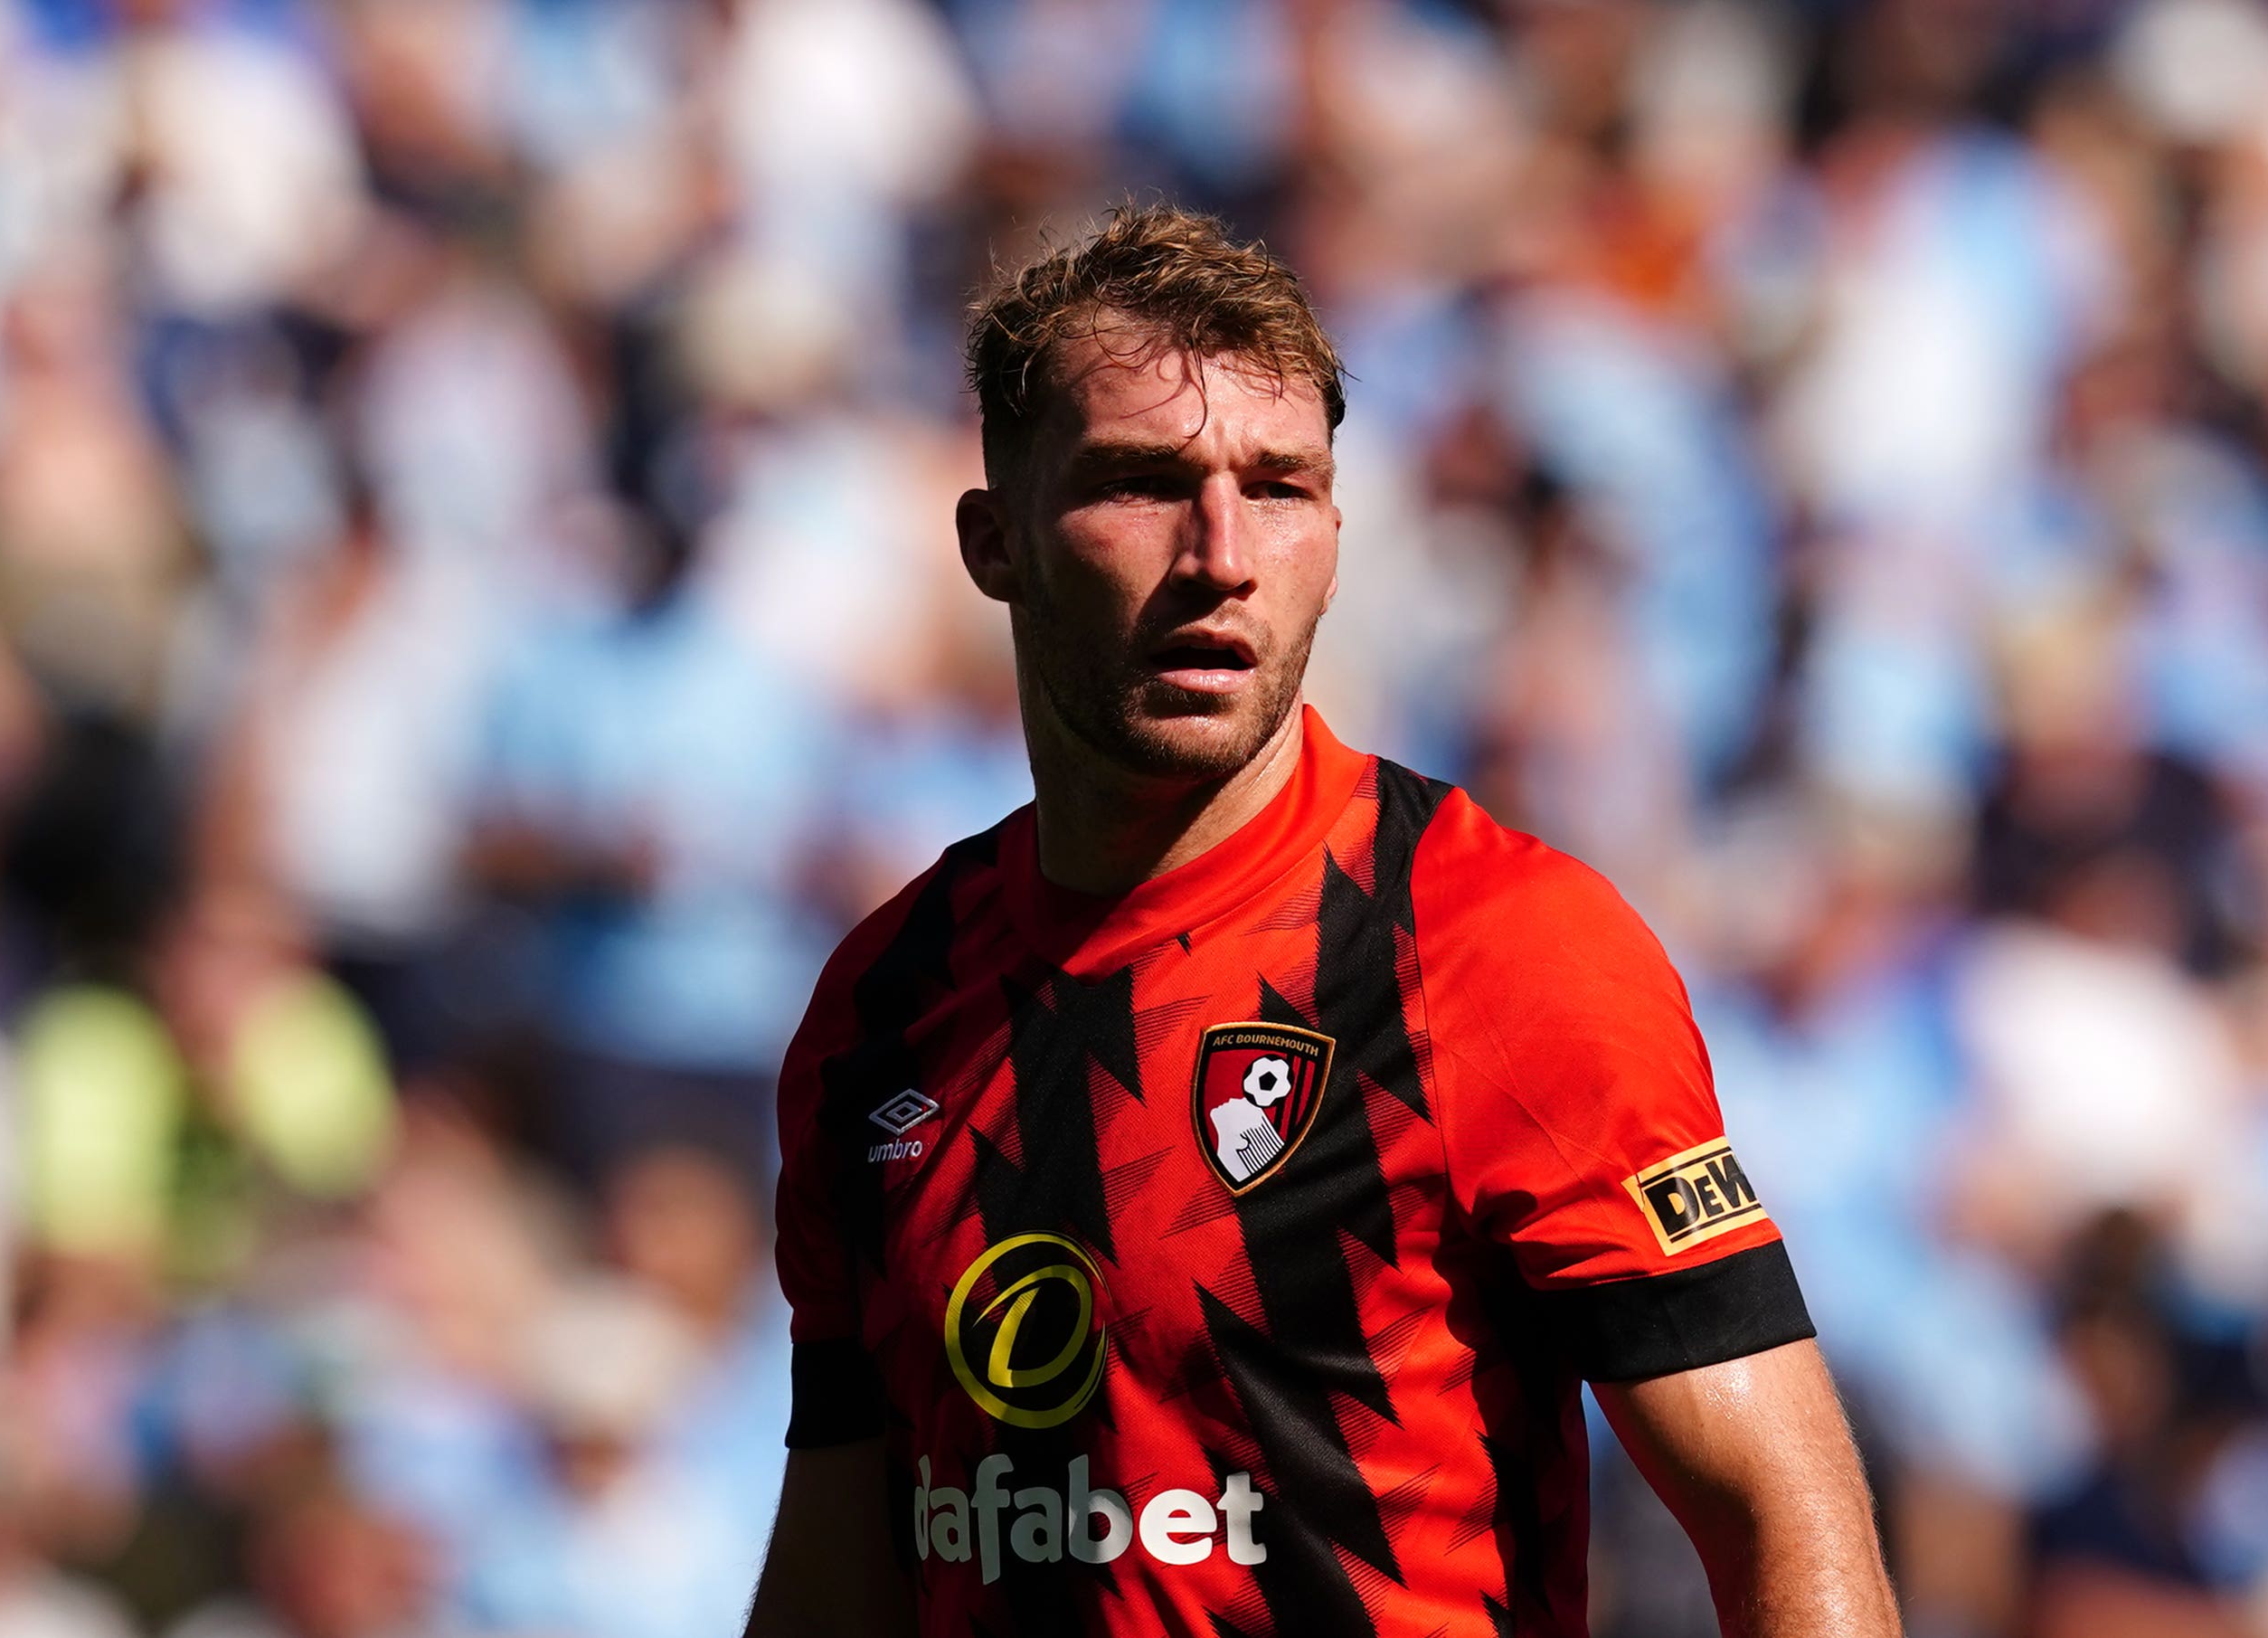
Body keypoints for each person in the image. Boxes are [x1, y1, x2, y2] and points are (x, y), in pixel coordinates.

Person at [743, 204, 1898, 1638]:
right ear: (995, 542)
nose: (1221, 553)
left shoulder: (1495, 945)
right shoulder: (883, 1011)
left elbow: (1782, 1510)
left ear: (1337, 539)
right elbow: (841, 1570)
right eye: (1144, 484)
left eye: (1278, 489)